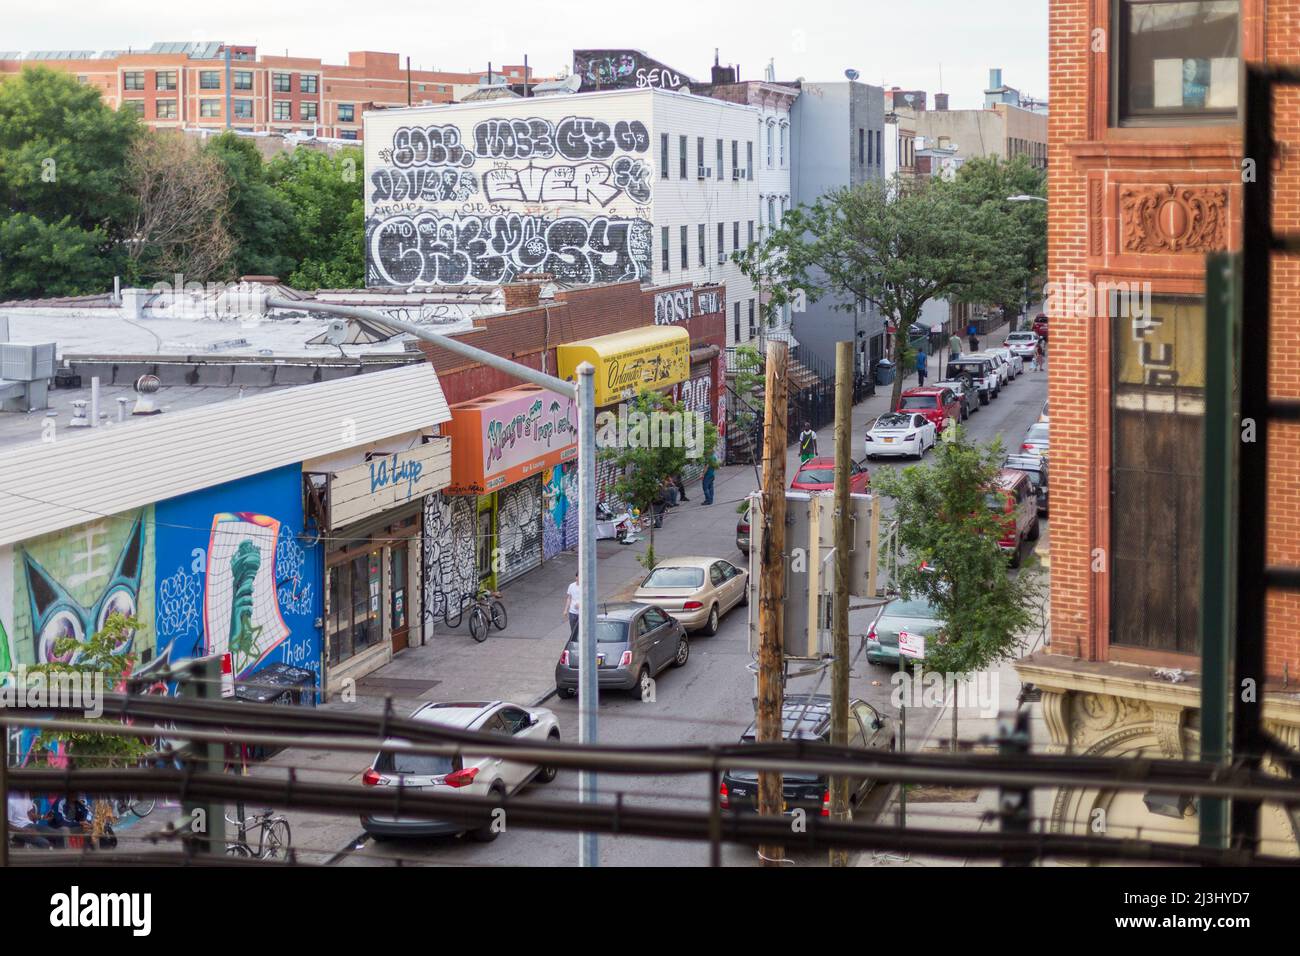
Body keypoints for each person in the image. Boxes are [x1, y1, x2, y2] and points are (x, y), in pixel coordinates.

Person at [564, 572, 581, 640]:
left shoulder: (584, 587)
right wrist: (565, 610)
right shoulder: (571, 586)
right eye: (578, 577)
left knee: (580, 629)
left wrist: (581, 605)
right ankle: (574, 641)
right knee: (573, 630)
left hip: (581, 612)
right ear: (576, 577)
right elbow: (569, 598)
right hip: (572, 612)